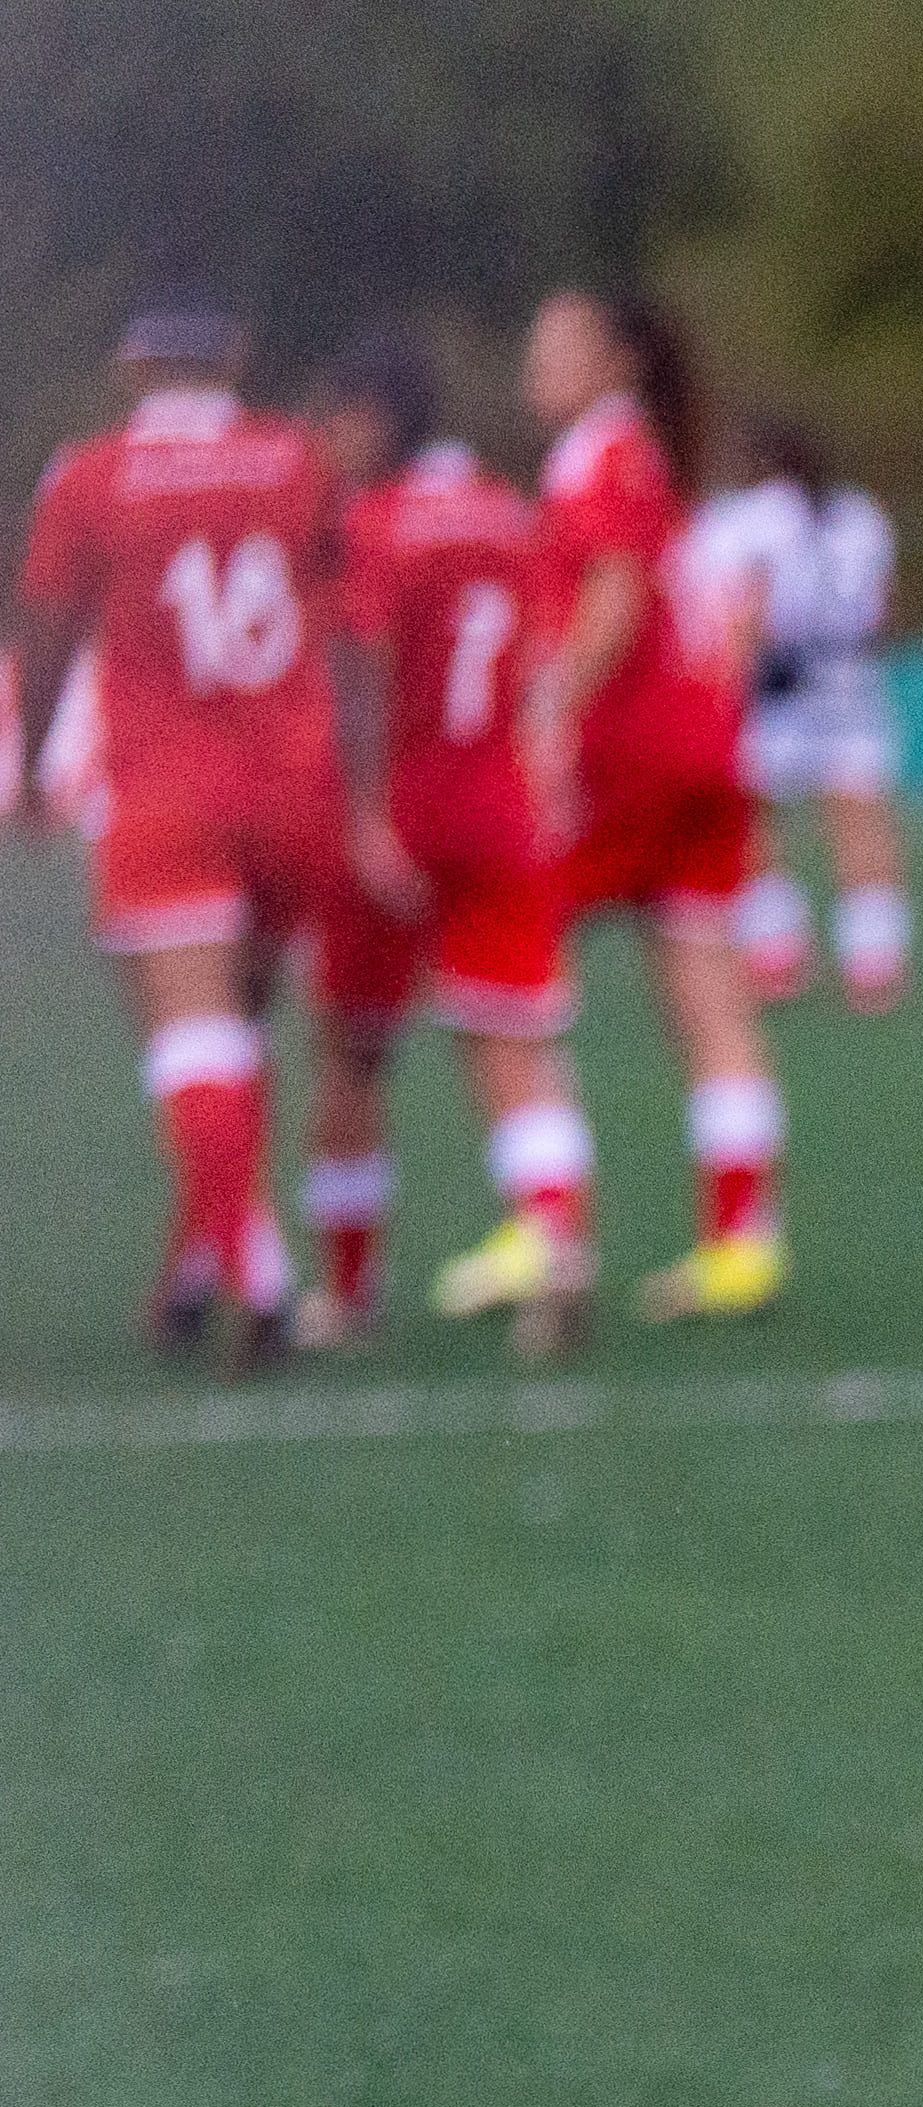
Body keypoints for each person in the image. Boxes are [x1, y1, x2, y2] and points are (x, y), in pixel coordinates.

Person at [9, 296, 345, 1365]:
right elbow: (341, 607)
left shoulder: (91, 475)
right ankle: (191, 1273)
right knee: (240, 1032)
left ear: (133, 370)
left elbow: (51, 626)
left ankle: (260, 1276)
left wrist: (28, 771)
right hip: (295, 788)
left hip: (166, 789)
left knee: (187, 1031)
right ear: (235, 361)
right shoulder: (299, 460)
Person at [483, 291, 789, 1325]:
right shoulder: (655, 457)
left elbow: (613, 597)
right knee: (708, 1001)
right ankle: (742, 1244)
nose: (535, 363)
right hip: (705, 750)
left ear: (617, 362)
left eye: (558, 345)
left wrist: (542, 711)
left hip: (628, 757)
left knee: (502, 972)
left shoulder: (596, 457)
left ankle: (551, 1228)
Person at [299, 335, 604, 1360]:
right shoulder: (506, 510)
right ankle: (557, 1233)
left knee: (352, 1049)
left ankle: (348, 1289)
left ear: (376, 420)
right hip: (503, 806)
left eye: (336, 421)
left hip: (405, 808)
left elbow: (365, 662)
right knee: (515, 1048)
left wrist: (365, 810)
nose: (326, 444)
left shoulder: (375, 524)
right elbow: (542, 655)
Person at [691, 422, 915, 1010]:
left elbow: (746, 606)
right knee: (861, 825)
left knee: (755, 825)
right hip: (847, 682)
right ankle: (874, 963)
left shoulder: (750, 516)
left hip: (776, 688)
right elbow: (883, 609)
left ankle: (775, 953)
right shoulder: (860, 515)